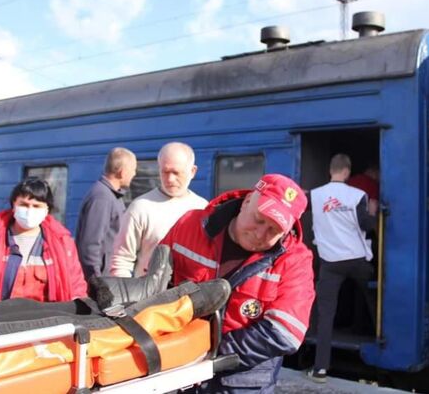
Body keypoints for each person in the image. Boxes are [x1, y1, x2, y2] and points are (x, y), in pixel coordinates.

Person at [160, 173, 314, 393]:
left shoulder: (295, 261)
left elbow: (286, 332)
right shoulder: (190, 225)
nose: (260, 233)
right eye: (259, 219)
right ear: (248, 200)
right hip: (177, 374)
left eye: (274, 230)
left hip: (241, 383)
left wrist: (209, 351)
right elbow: (155, 285)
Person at [307, 154, 376, 383]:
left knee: (326, 315)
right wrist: (373, 214)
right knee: (374, 297)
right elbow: (367, 226)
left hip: (330, 263)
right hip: (357, 260)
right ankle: (379, 338)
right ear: (347, 172)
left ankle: (320, 370)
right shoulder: (358, 196)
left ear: (330, 170)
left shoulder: (315, 196)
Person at [0, 177, 87, 302]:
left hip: (44, 317)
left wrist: (78, 306)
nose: (30, 211)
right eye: (24, 205)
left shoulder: (62, 242)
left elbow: (75, 282)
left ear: (47, 210)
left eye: (37, 206)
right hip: (0, 316)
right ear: (13, 205)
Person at [111, 142, 207, 277]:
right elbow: (121, 260)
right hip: (148, 297)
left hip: (189, 296)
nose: (170, 179)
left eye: (176, 172)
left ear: (192, 171)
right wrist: (125, 296)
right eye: (165, 172)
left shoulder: (203, 208)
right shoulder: (141, 208)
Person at [75, 147, 137, 280]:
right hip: (100, 279)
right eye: (133, 170)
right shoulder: (102, 197)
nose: (134, 174)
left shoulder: (112, 196)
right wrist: (96, 282)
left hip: (107, 276)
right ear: (122, 172)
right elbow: (90, 243)